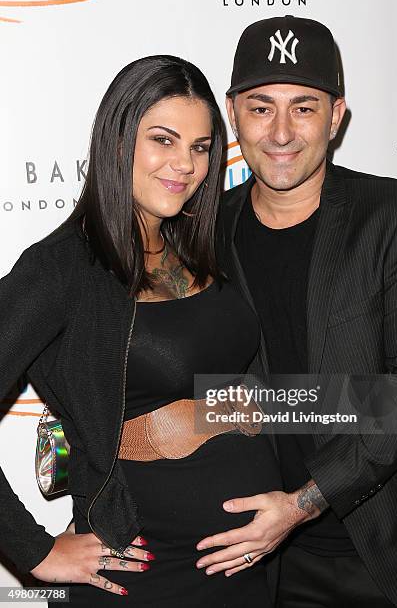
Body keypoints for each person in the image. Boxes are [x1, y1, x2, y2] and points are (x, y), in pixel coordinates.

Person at [0, 54, 282, 607]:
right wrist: (33, 550)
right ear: (118, 140)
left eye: (201, 148)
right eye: (163, 139)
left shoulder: (199, 244)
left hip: (249, 565)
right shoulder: (62, 268)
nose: (186, 165)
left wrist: (301, 501)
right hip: (151, 577)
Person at [194, 16, 397, 608]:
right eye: (261, 108)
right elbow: (205, 390)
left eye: (303, 108)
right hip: (264, 564)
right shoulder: (204, 232)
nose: (281, 132)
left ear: (336, 116)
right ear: (232, 114)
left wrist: (299, 504)